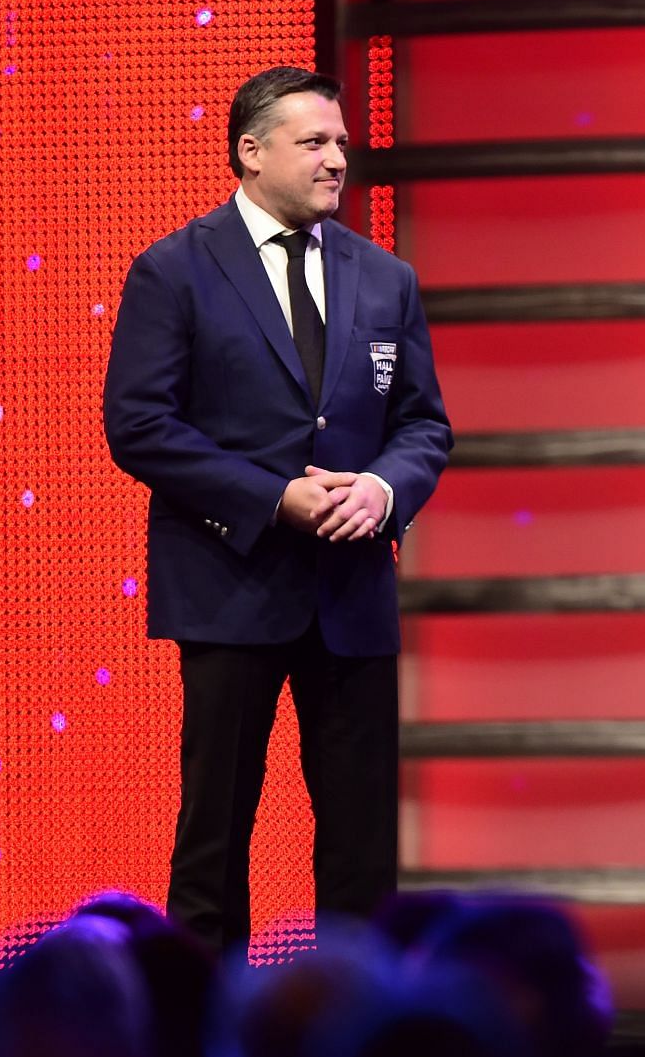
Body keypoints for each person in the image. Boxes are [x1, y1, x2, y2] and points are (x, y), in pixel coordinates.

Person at [103, 66, 451, 954]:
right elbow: (139, 425)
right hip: (230, 584)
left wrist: (381, 489)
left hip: (353, 593)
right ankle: (204, 1046)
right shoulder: (174, 269)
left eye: (341, 142)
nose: (338, 159)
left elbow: (423, 424)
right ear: (250, 153)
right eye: (316, 142)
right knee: (214, 841)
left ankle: (358, 1035)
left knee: (362, 847)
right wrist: (273, 497)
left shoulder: (386, 278)